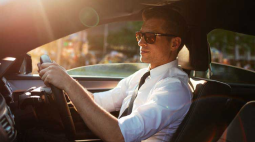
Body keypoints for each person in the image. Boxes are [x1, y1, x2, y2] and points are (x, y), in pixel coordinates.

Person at [38, 7, 192, 142]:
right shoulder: (141, 76)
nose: (140, 43)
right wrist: (65, 86)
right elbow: (97, 102)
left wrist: (68, 83)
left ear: (174, 43)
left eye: (150, 37)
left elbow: (118, 136)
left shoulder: (174, 89)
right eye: (140, 35)